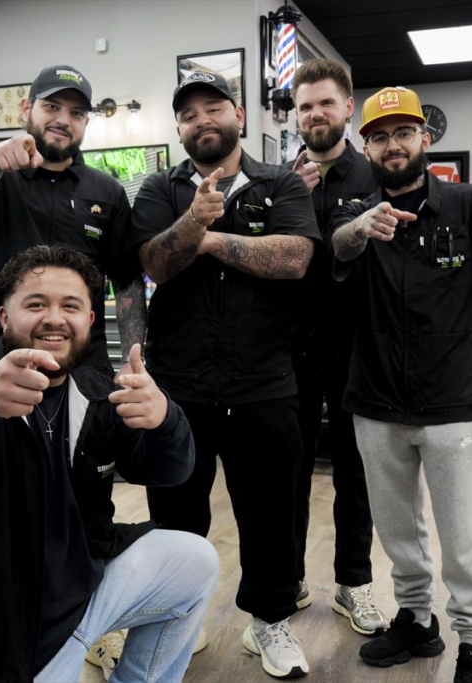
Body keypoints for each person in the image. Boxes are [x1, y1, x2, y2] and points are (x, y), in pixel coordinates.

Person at [0, 244, 218, 683]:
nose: (54, 318)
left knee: (195, 560)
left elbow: (168, 471)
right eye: (36, 304)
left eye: (71, 306)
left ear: (90, 321)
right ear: (4, 318)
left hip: (77, 597)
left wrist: (165, 419)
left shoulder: (98, 391)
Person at [330, 86, 472, 683]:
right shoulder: (356, 213)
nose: (392, 145)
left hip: (449, 399)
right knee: (398, 527)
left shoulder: (469, 204)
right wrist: (362, 225)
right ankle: (417, 618)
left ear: (424, 138)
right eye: (378, 137)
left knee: (462, 528)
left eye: (403, 133)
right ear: (366, 148)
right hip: (374, 401)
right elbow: (337, 247)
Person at [128, 71, 320, 680]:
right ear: (179, 129)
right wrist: (190, 220)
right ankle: (175, 619)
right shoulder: (159, 188)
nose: (202, 120)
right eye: (189, 114)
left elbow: (295, 258)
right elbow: (154, 263)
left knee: (271, 515)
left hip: (264, 382)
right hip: (177, 387)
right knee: (176, 513)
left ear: (238, 115)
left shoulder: (280, 182)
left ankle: (269, 621)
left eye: (213, 108)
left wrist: (207, 240)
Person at [0, 64, 146, 379]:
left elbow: (126, 281)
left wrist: (129, 359)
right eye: (52, 107)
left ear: (86, 122)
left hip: (83, 369)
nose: (63, 120)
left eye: (76, 113)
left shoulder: (107, 192)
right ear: (26, 109)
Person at [286, 58, 389, 637]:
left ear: (348, 108)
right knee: (289, 468)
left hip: (357, 346)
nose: (316, 114)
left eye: (326, 103)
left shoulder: (374, 175)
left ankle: (354, 583)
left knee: (356, 470)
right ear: (295, 116)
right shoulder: (280, 181)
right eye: (305, 106)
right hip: (289, 349)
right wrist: (287, 203)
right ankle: (288, 579)